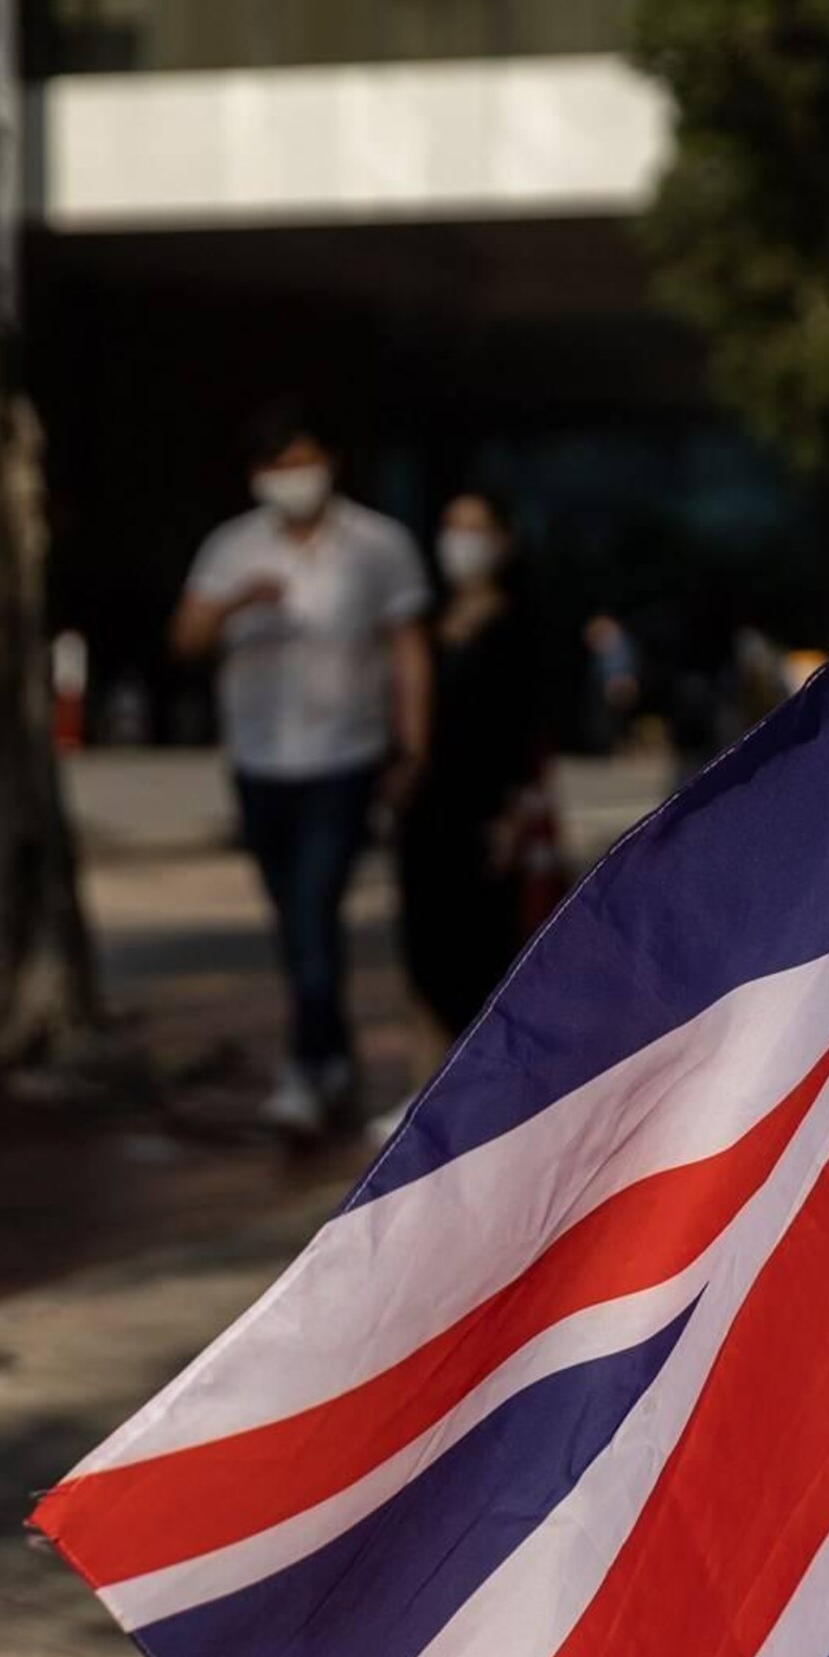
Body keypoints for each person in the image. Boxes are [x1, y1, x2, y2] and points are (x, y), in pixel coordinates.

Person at [170, 407, 432, 1133]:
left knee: (315, 905)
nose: (295, 481)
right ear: (258, 477)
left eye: (304, 462)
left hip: (344, 756)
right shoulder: (231, 548)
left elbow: (407, 648)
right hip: (259, 757)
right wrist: (231, 602)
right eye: (279, 468)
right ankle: (331, 1052)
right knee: (293, 915)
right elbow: (184, 638)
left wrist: (412, 745)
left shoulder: (379, 545)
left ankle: (305, 1066)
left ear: (332, 462)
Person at [391, 490, 551, 1086]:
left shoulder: (520, 625)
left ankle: (481, 1092)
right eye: (452, 526)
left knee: (481, 958)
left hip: (486, 811)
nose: (462, 542)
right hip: (424, 808)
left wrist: (515, 815)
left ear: (505, 541)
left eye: (477, 529)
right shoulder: (422, 623)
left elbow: (527, 728)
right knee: (421, 955)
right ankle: (420, 1092)